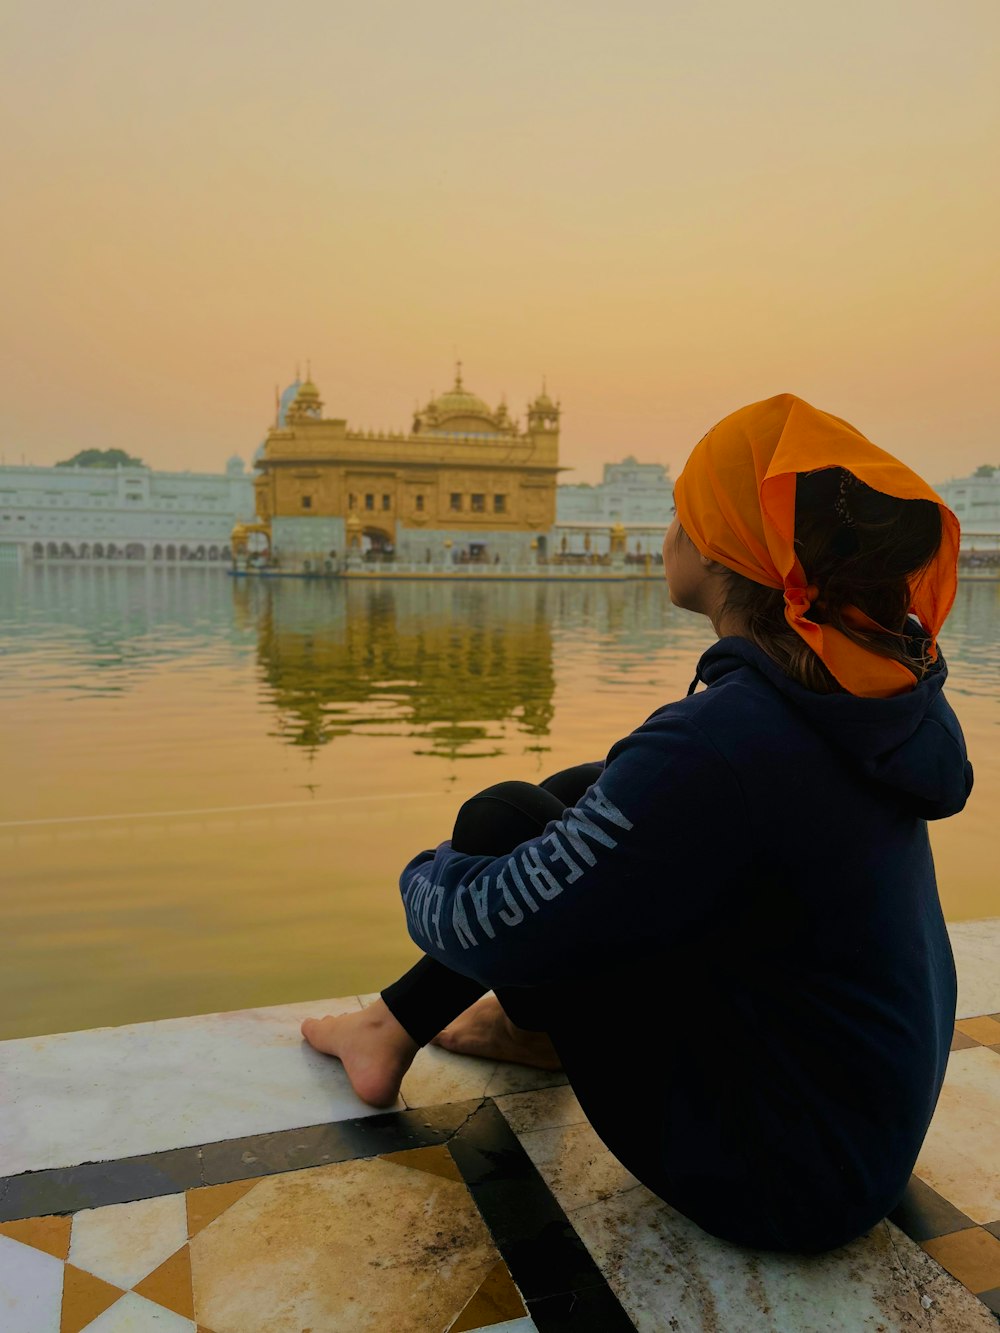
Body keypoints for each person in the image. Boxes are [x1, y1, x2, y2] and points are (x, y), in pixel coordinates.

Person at [302, 392, 972, 1254]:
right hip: (860, 1137)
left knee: (502, 827)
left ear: (721, 549)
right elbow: (633, 792)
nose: (664, 531)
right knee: (565, 809)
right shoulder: (859, 696)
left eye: (679, 511)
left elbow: (494, 915)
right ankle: (449, 1030)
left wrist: (422, 872)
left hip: (778, 1180)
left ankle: (422, 1029)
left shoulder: (728, 741)